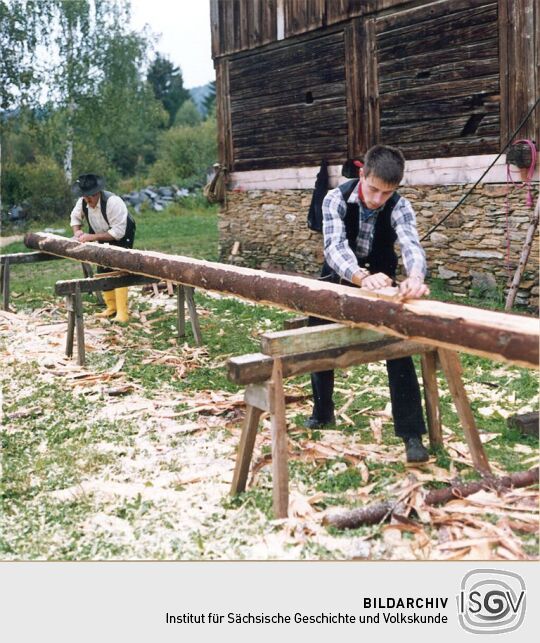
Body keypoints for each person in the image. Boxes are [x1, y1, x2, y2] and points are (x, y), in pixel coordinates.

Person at [306, 144, 431, 463]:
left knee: (398, 347)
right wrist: (360, 277)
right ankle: (322, 411)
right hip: (338, 276)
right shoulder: (334, 198)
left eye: (387, 194)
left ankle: (411, 434)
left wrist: (415, 276)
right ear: (362, 174)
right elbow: (334, 247)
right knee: (317, 339)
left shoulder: (401, 206)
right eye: (373, 189)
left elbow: (411, 246)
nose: (378, 199)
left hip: (382, 279)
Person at [70, 173, 136, 323]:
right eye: (84, 197)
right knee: (102, 267)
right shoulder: (82, 201)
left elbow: (117, 233)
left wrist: (92, 237)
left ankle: (122, 312)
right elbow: (75, 218)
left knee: (119, 269)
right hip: (100, 233)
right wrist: (77, 231)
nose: (87, 201)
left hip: (121, 233)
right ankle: (111, 307)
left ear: (97, 192)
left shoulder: (113, 202)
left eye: (90, 197)